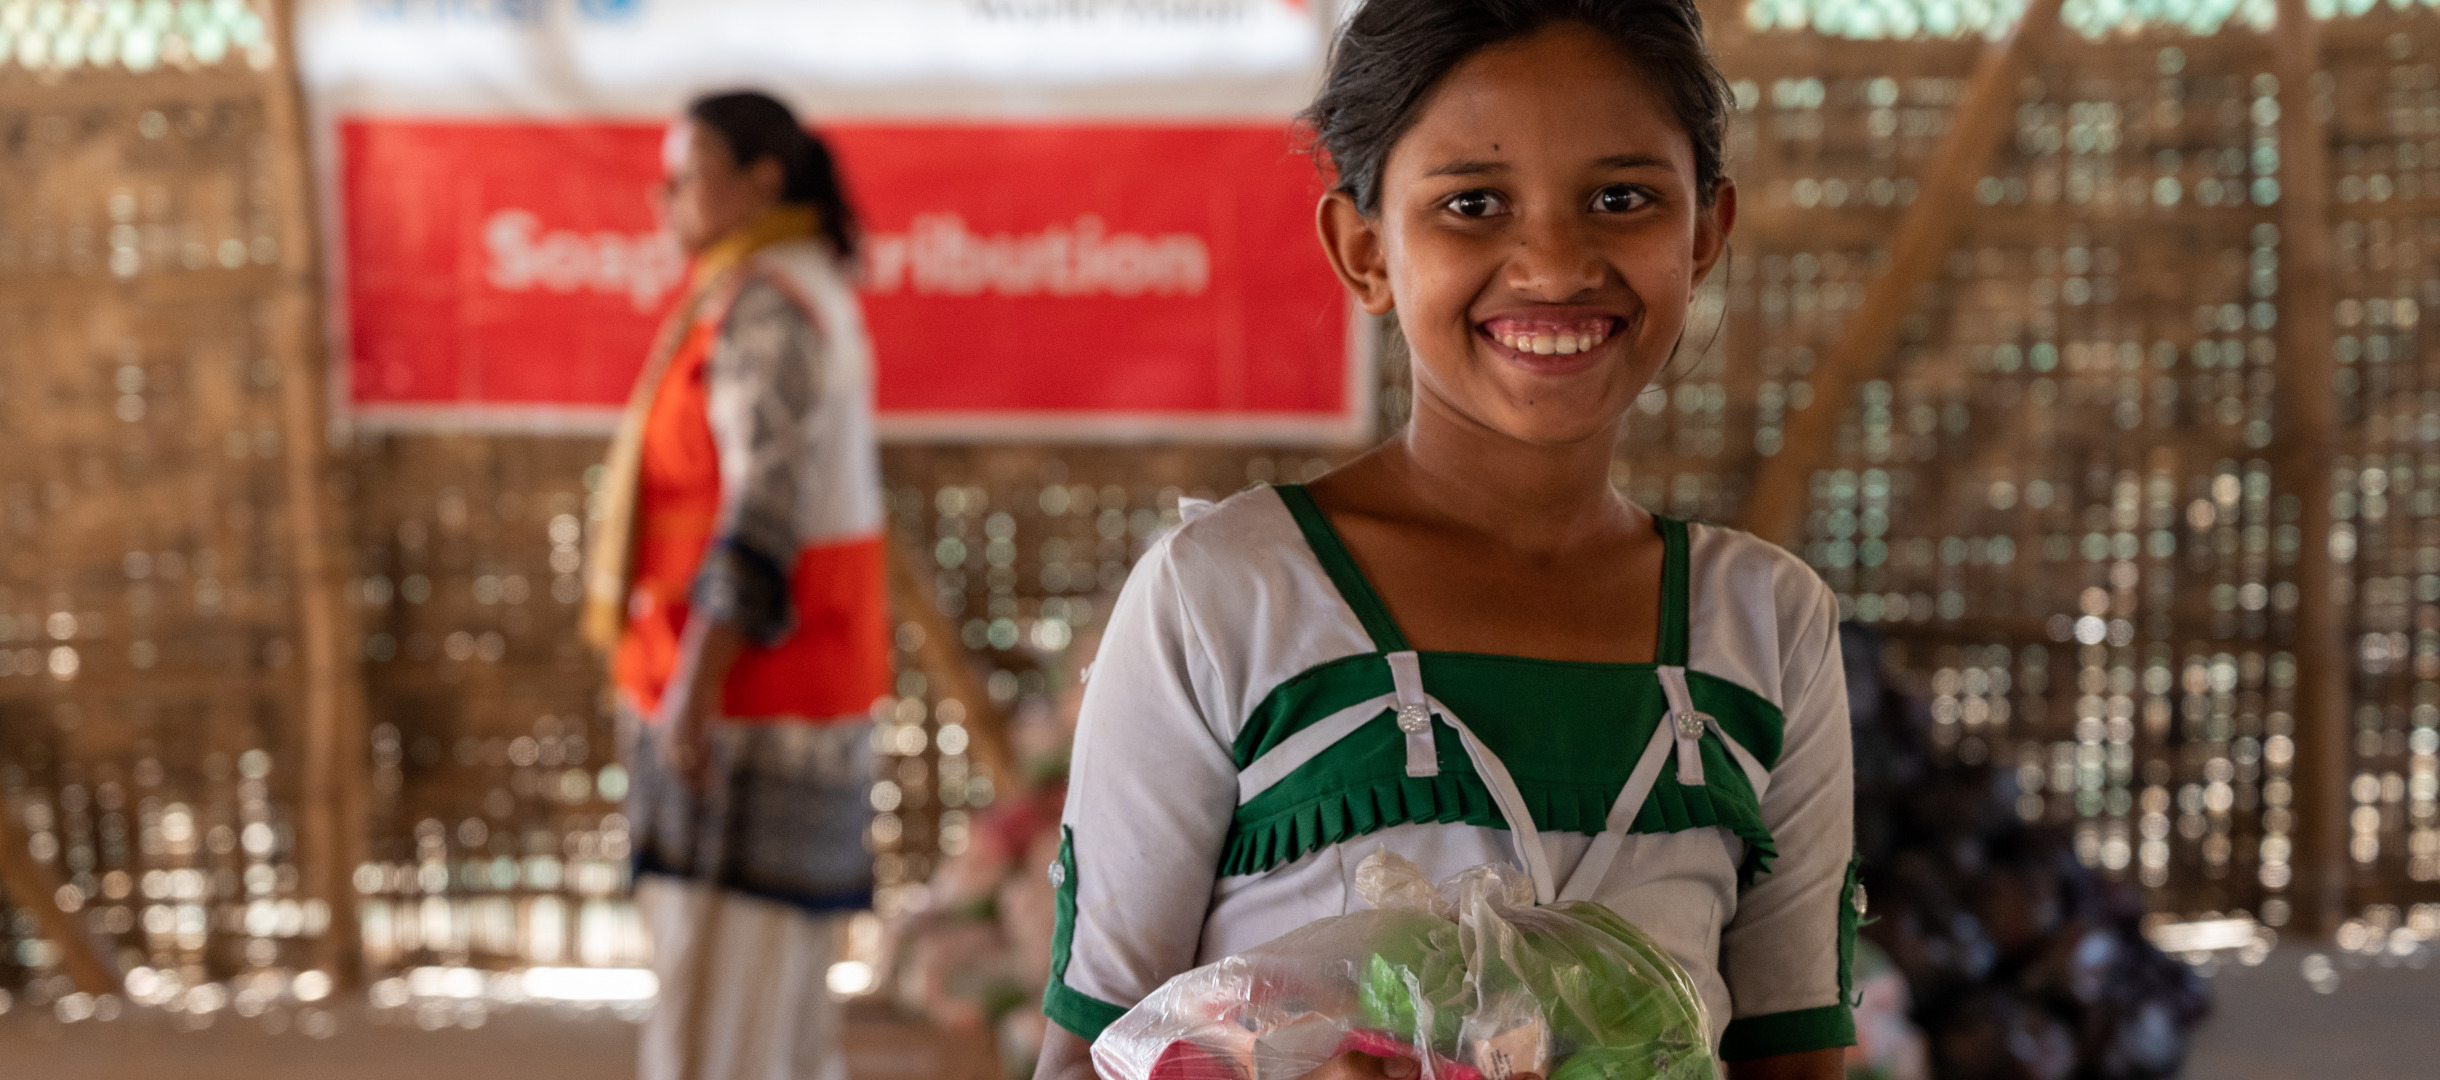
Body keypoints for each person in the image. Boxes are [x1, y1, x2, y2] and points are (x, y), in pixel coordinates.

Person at [1035, 3, 1855, 1079]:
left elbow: (1793, 1055)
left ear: (1702, 234)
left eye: (1623, 198)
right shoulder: (1228, 598)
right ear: (1364, 249)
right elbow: (1088, 1058)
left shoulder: (1766, 621)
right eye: (1473, 203)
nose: (1555, 262)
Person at [584, 90, 891, 1080]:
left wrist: (693, 690)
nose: (665, 193)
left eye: (687, 172)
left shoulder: (770, 304)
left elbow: (763, 513)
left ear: (762, 179)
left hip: (751, 703)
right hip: (768, 690)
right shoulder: (776, 287)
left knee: (723, 1018)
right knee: (766, 1017)